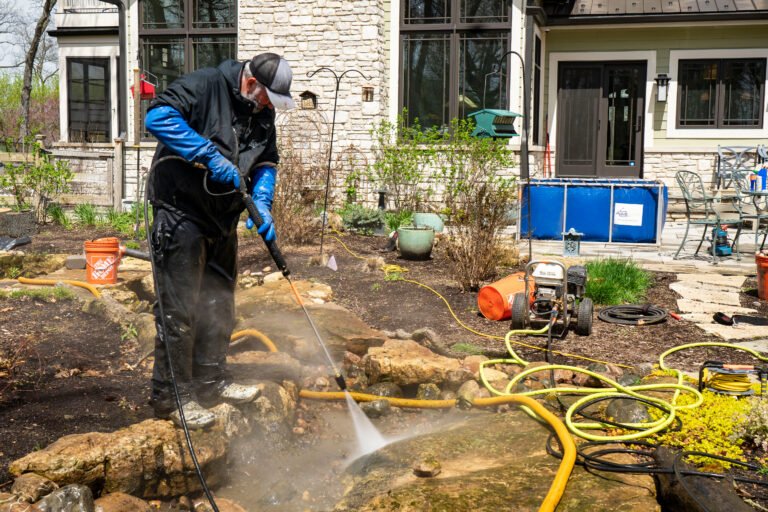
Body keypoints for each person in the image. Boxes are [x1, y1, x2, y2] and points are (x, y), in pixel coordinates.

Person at [144, 53, 295, 429]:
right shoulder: (206, 84)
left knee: (218, 302)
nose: (266, 107)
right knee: (180, 309)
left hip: (221, 219)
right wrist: (207, 154)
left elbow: (266, 161)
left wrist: (262, 202)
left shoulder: (261, 113)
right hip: (180, 212)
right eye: (265, 99)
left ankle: (211, 383)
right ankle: (172, 398)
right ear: (250, 84)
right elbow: (157, 117)